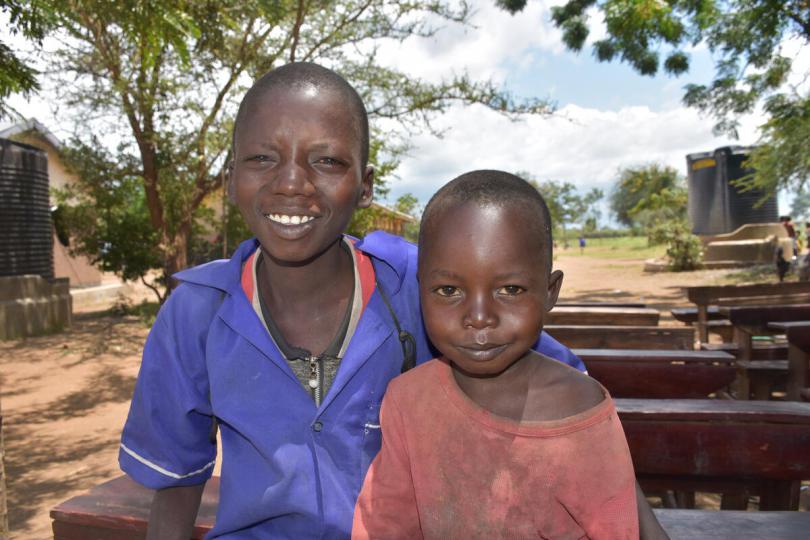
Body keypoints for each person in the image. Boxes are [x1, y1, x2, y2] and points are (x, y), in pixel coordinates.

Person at [119, 64, 586, 539]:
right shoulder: (196, 312)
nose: (292, 183)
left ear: (365, 187)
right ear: (230, 176)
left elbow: (560, 384)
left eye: (326, 161)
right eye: (262, 158)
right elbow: (177, 480)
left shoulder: (421, 285)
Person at [353, 171, 668, 539]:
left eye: (510, 289)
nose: (480, 316)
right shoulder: (408, 400)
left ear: (550, 291)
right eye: (449, 290)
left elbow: (619, 529)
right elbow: (384, 525)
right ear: (421, 290)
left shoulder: (581, 407)